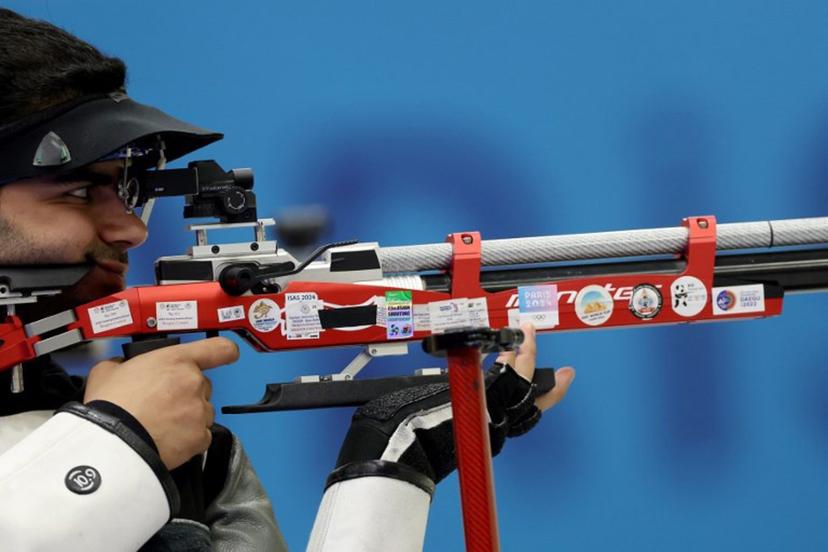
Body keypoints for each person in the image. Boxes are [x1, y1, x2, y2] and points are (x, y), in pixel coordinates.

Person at [0, 8, 575, 551]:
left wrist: (391, 465)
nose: (131, 230)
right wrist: (117, 445)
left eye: (128, 192)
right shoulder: (123, 435)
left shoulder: (173, 450)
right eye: (77, 191)